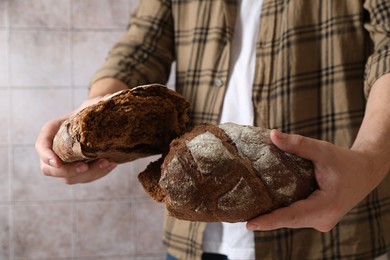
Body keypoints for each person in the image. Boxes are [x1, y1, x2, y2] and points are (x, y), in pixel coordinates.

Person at [35, 0, 390, 259]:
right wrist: (94, 109)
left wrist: (369, 160)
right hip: (193, 236)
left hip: (331, 232)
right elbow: (140, 46)